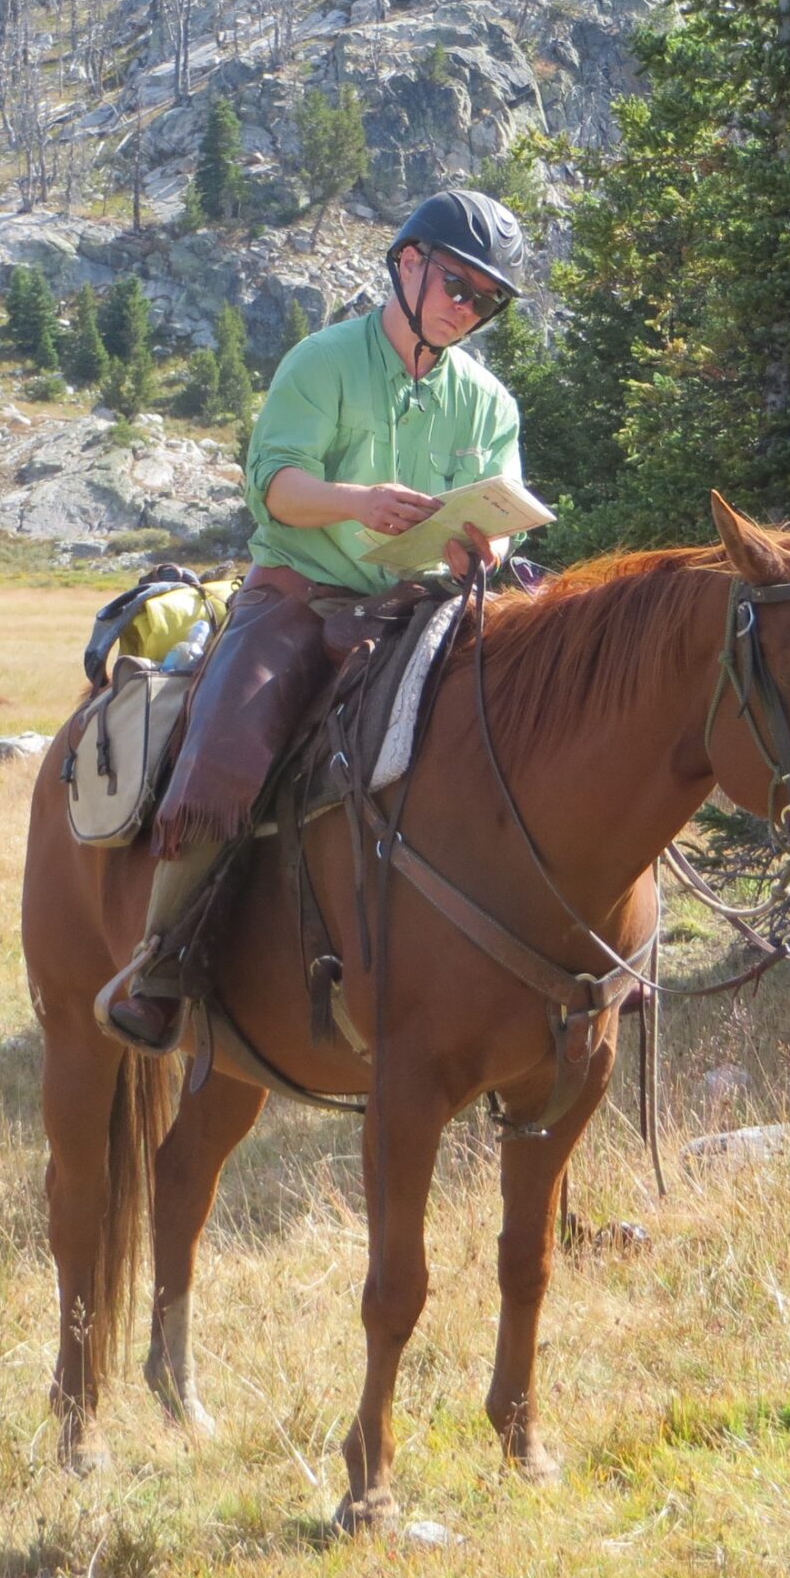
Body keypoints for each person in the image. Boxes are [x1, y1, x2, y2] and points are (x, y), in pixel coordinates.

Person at [98, 189, 530, 1051]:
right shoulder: (322, 361)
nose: (465, 309)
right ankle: (162, 962)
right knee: (228, 742)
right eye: (456, 284)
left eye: (485, 300)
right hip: (296, 600)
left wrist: (478, 548)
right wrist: (359, 503)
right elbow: (277, 486)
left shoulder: (489, 402)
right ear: (406, 263)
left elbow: (502, 516)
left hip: (422, 607)